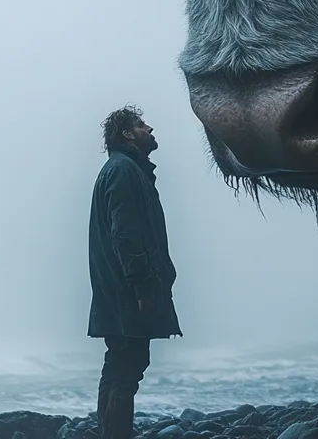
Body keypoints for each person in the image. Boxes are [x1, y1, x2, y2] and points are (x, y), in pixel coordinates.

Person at [88, 105, 181, 439]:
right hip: (126, 290)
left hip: (120, 288)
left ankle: (111, 433)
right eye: (142, 125)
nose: (150, 129)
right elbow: (124, 234)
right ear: (127, 134)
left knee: (122, 366)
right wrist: (142, 286)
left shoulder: (125, 169)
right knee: (125, 368)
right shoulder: (123, 170)